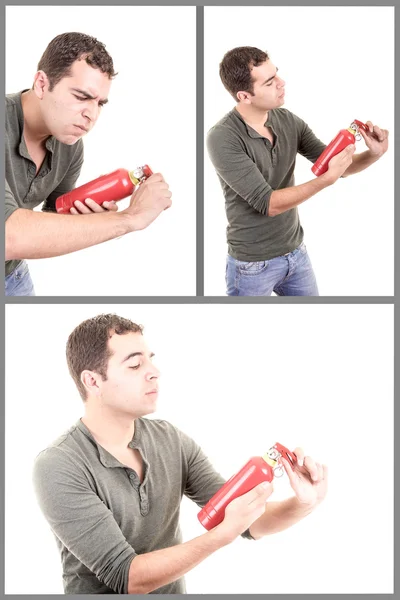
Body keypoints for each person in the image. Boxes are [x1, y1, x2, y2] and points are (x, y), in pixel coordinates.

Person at [33, 313, 328, 594]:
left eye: (150, 361)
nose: (154, 373)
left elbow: (250, 523)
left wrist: (304, 503)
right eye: (135, 366)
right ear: (93, 381)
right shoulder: (58, 465)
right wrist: (221, 535)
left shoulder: (170, 439)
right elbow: (127, 577)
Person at [206, 47, 389, 297]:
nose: (282, 83)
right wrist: (326, 180)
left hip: (296, 254)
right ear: (244, 96)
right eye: (270, 82)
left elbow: (335, 166)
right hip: (252, 265)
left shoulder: (287, 120)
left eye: (276, 75)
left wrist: (374, 153)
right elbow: (268, 203)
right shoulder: (222, 137)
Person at [5, 32, 172, 296]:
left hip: (12, 275)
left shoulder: (70, 146)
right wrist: (129, 218)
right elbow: (8, 236)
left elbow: (52, 219)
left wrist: (88, 220)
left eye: (99, 103)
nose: (91, 114)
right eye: (82, 96)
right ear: (41, 84)